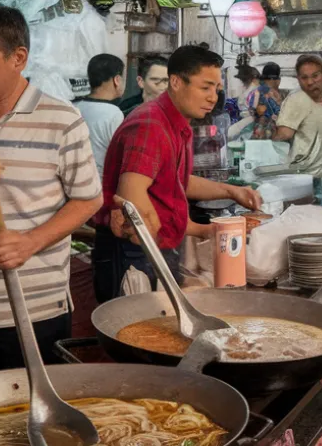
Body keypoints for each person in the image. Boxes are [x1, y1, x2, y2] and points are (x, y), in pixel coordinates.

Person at [0, 0, 103, 372]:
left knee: (31, 420)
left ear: (18, 57)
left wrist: (30, 241)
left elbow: (89, 199)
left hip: (32, 312)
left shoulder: (61, 120)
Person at [94, 45, 261, 303]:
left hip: (152, 250)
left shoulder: (175, 124)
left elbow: (176, 182)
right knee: (139, 336)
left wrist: (231, 191)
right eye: (204, 87)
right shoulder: (150, 125)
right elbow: (132, 201)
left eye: (216, 89)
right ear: (175, 82)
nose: (213, 97)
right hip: (132, 253)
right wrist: (196, 231)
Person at [272, 55, 322, 180]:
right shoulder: (298, 99)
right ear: (298, 79)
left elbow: (282, 135)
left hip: (317, 176)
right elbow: (284, 135)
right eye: (304, 77)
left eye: (315, 76)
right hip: (306, 176)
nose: (310, 82)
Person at [74, 53, 126, 176]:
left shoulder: (75, 107)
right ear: (117, 80)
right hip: (100, 185)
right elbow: (120, 156)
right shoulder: (114, 114)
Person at [248, 62, 283, 139]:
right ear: (277, 80)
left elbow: (251, 111)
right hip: (269, 132)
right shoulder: (274, 94)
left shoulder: (255, 92)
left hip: (259, 131)